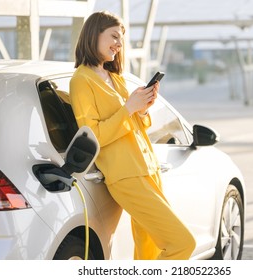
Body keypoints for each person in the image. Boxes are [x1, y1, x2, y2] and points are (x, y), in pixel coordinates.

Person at [69, 11, 196, 260]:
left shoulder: (115, 78)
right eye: (114, 36)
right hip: (125, 176)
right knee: (182, 243)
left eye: (121, 39)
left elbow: (133, 125)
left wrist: (142, 109)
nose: (119, 43)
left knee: (148, 249)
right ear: (93, 35)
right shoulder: (81, 81)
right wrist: (129, 108)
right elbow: (93, 136)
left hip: (148, 170)